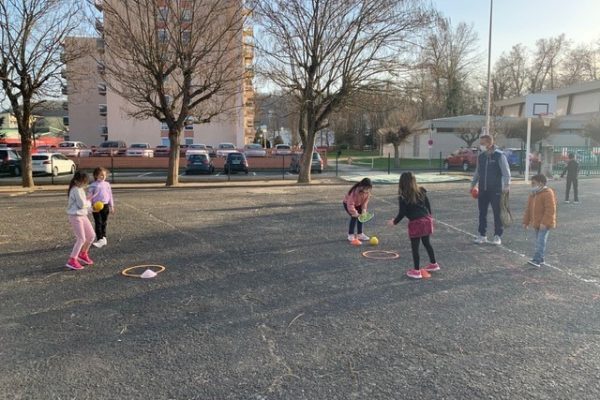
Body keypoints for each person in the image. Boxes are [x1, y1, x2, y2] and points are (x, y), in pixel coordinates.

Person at [387, 172, 439, 279]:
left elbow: (402, 213)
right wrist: (429, 218)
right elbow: (428, 206)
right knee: (427, 243)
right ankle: (434, 264)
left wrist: (394, 222)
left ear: (402, 183)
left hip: (416, 223)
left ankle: (416, 271)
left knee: (415, 247)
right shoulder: (421, 191)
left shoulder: (403, 196)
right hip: (427, 220)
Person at [470, 134, 511, 245]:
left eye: (483, 143)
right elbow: (477, 172)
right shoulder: (481, 156)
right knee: (482, 213)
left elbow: (506, 172)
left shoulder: (499, 156)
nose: (481, 146)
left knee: (497, 213)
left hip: (496, 189)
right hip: (483, 189)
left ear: (490, 143)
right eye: (480, 143)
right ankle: (482, 235)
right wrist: (473, 184)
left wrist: (507, 185)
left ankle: (497, 236)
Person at [523, 174, 557, 267]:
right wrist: (526, 222)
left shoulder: (548, 193)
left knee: (540, 241)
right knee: (539, 240)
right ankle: (541, 259)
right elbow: (528, 209)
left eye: (534, 183)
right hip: (537, 223)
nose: (532, 185)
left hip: (544, 224)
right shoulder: (533, 194)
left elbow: (550, 209)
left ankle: (537, 259)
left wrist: (544, 223)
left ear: (541, 183)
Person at [66, 171, 95, 270]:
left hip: (82, 215)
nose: (84, 184)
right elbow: (82, 204)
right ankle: (72, 259)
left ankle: (83, 254)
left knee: (91, 235)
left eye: (85, 182)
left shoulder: (80, 189)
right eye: (82, 182)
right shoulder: (76, 190)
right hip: (75, 216)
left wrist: (91, 208)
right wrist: (89, 202)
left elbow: (83, 205)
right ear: (76, 181)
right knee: (81, 238)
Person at [88, 167, 114, 248]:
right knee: (98, 222)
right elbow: (89, 197)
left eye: (104, 175)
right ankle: (99, 239)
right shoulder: (93, 185)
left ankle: (104, 238)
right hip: (96, 207)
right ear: (96, 175)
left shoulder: (107, 184)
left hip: (105, 206)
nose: (103, 177)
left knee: (104, 222)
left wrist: (112, 206)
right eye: (101, 175)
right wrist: (89, 207)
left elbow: (110, 195)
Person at [343, 177, 372, 242]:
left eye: (368, 188)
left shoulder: (367, 193)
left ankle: (360, 234)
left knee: (361, 217)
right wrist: (354, 213)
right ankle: (350, 234)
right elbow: (350, 204)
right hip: (347, 203)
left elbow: (365, 203)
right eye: (366, 188)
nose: (367, 190)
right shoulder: (355, 192)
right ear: (362, 186)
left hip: (358, 204)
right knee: (354, 217)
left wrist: (364, 210)